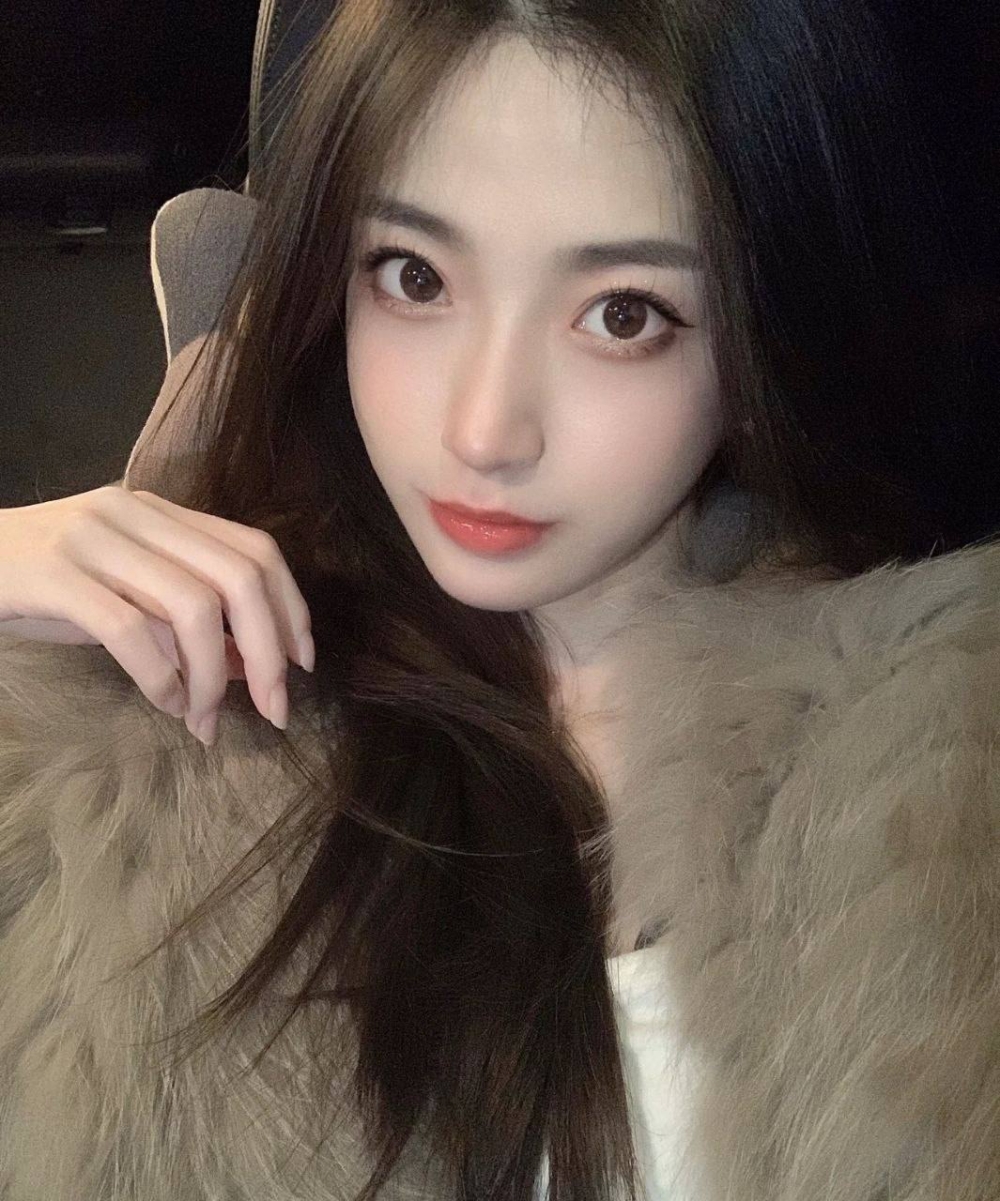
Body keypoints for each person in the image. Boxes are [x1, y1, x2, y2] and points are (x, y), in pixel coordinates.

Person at [0, 1, 995, 1198]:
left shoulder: (943, 744)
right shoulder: (145, 715)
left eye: (622, 314)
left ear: (764, 332)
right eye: (414, 276)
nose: (481, 430)